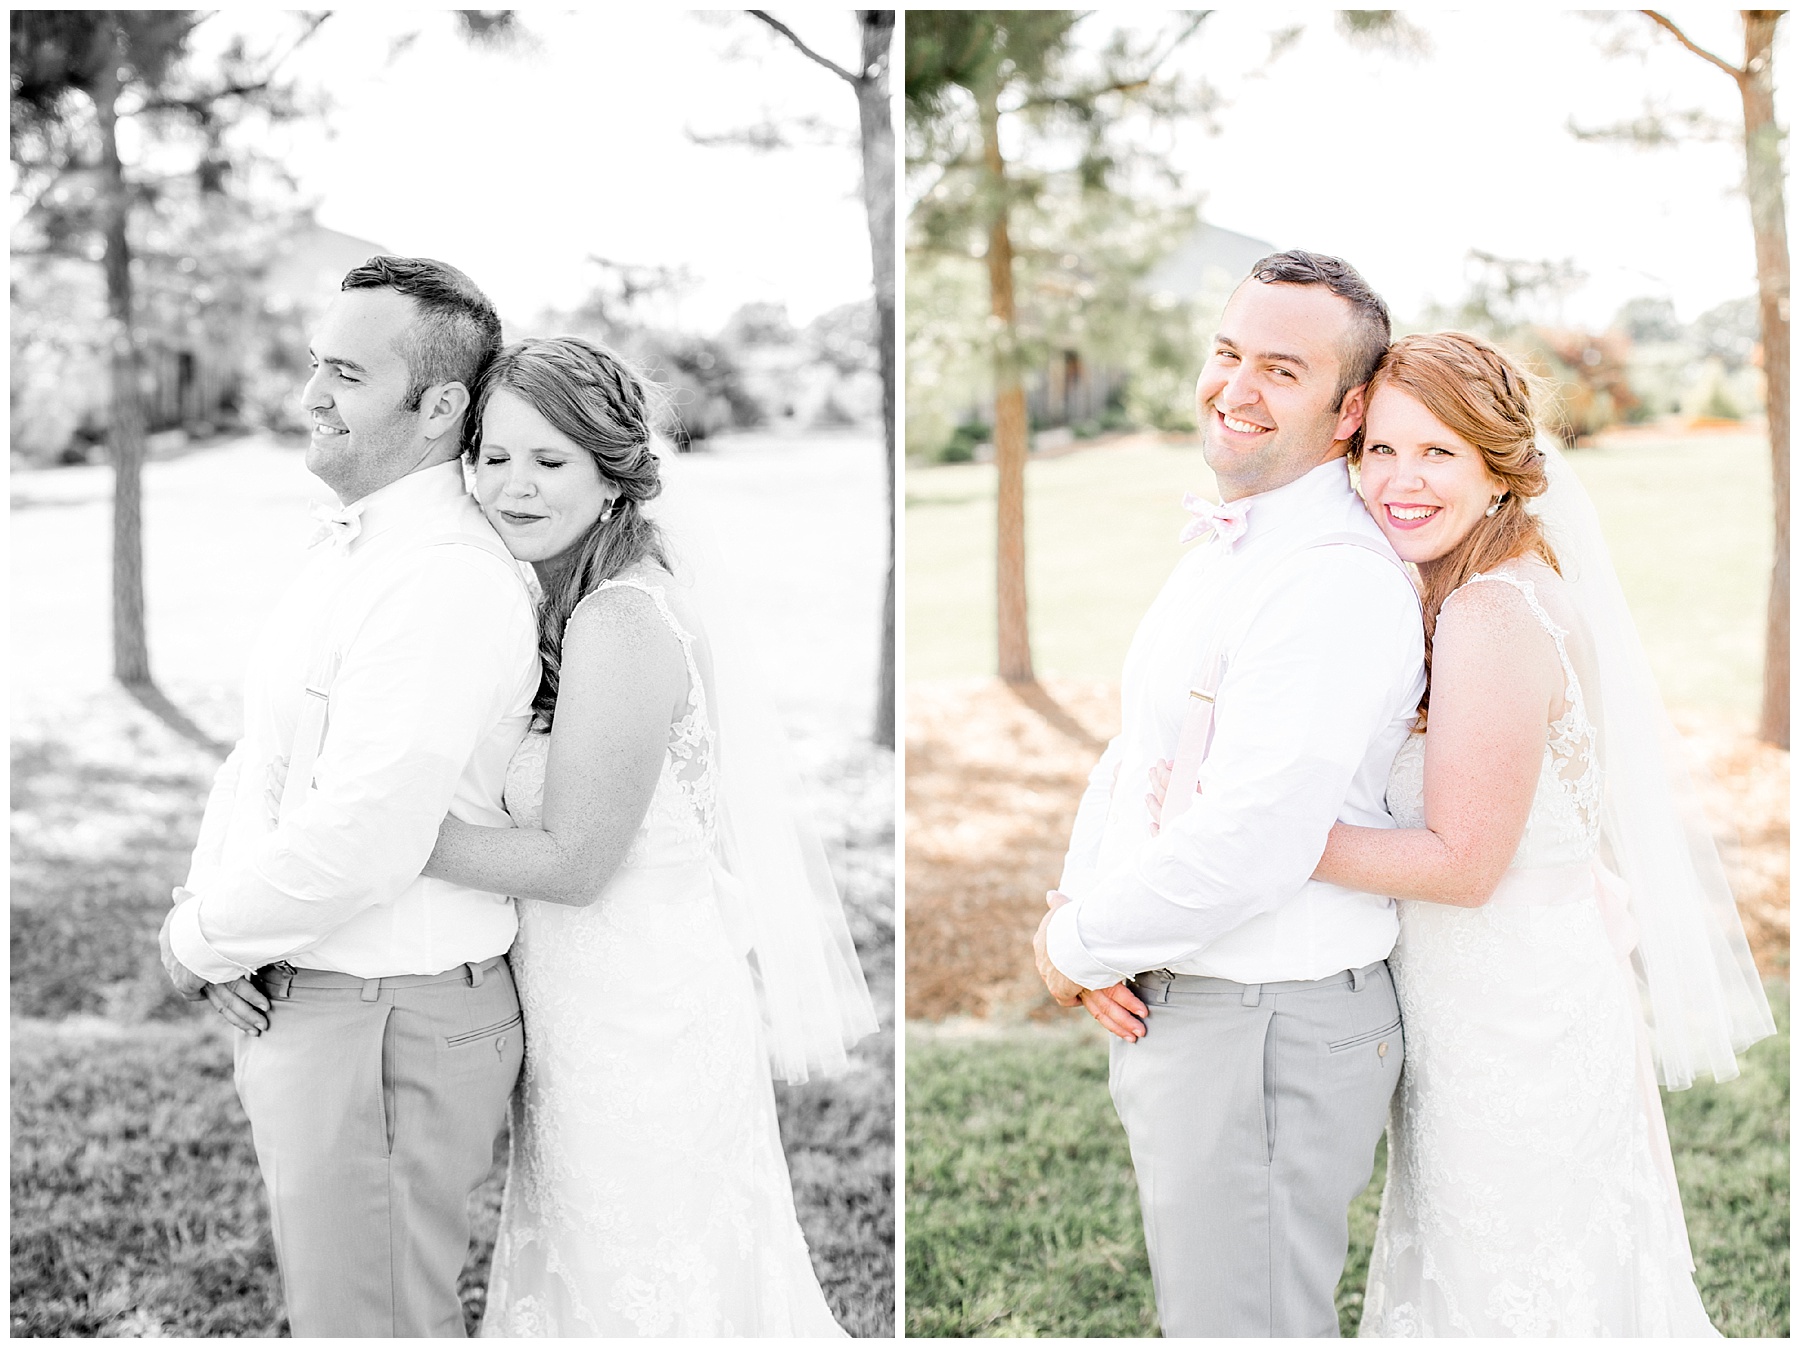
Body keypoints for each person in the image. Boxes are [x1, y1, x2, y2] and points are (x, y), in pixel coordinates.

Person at [1307, 332, 1774, 1335]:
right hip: (1506, 997)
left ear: (1497, 466)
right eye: (1380, 451)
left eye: (1437, 452)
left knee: (1515, 1280)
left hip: (1511, 1025)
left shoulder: (1490, 611)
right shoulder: (1502, 582)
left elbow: (1465, 862)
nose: (1401, 480)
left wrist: (1273, 837)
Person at [418, 334, 878, 1337]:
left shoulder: (618, 620)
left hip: (637, 1022)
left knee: (646, 1274)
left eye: (551, 461)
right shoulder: (577, 593)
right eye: (494, 457)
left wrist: (392, 834)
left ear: (613, 472)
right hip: (594, 1007)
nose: (514, 488)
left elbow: (573, 862)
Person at [1031, 251, 1428, 1337]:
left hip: (1269, 1020)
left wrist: (1077, 948)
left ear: (1349, 412)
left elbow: (1255, 835)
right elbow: (1139, 750)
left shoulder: (1332, 580)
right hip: (1205, 1001)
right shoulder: (1236, 542)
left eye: (1281, 371)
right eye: (1227, 352)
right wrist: (1083, 911)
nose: (1236, 388)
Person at [159, 255, 540, 1336]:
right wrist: (223, 922)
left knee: (369, 1328)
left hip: (388, 1019)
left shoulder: (444, 581)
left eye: (344, 373)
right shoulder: (358, 549)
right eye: (314, 364)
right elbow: (263, 760)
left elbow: (370, 832)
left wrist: (197, 938)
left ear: (439, 407)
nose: (308, 396)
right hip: (325, 999)